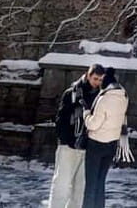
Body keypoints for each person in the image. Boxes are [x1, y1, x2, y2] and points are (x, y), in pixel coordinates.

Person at [48, 63, 104, 208]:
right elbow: (61, 118)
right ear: (88, 75)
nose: (97, 82)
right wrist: (65, 140)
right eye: (95, 78)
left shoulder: (101, 97)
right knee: (62, 184)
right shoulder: (72, 93)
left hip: (89, 147)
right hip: (69, 146)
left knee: (80, 189)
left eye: (100, 80)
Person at [82, 67, 132, 208]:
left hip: (96, 143)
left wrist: (86, 114)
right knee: (100, 182)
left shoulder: (104, 99)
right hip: (112, 143)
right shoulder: (124, 97)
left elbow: (94, 124)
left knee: (90, 184)